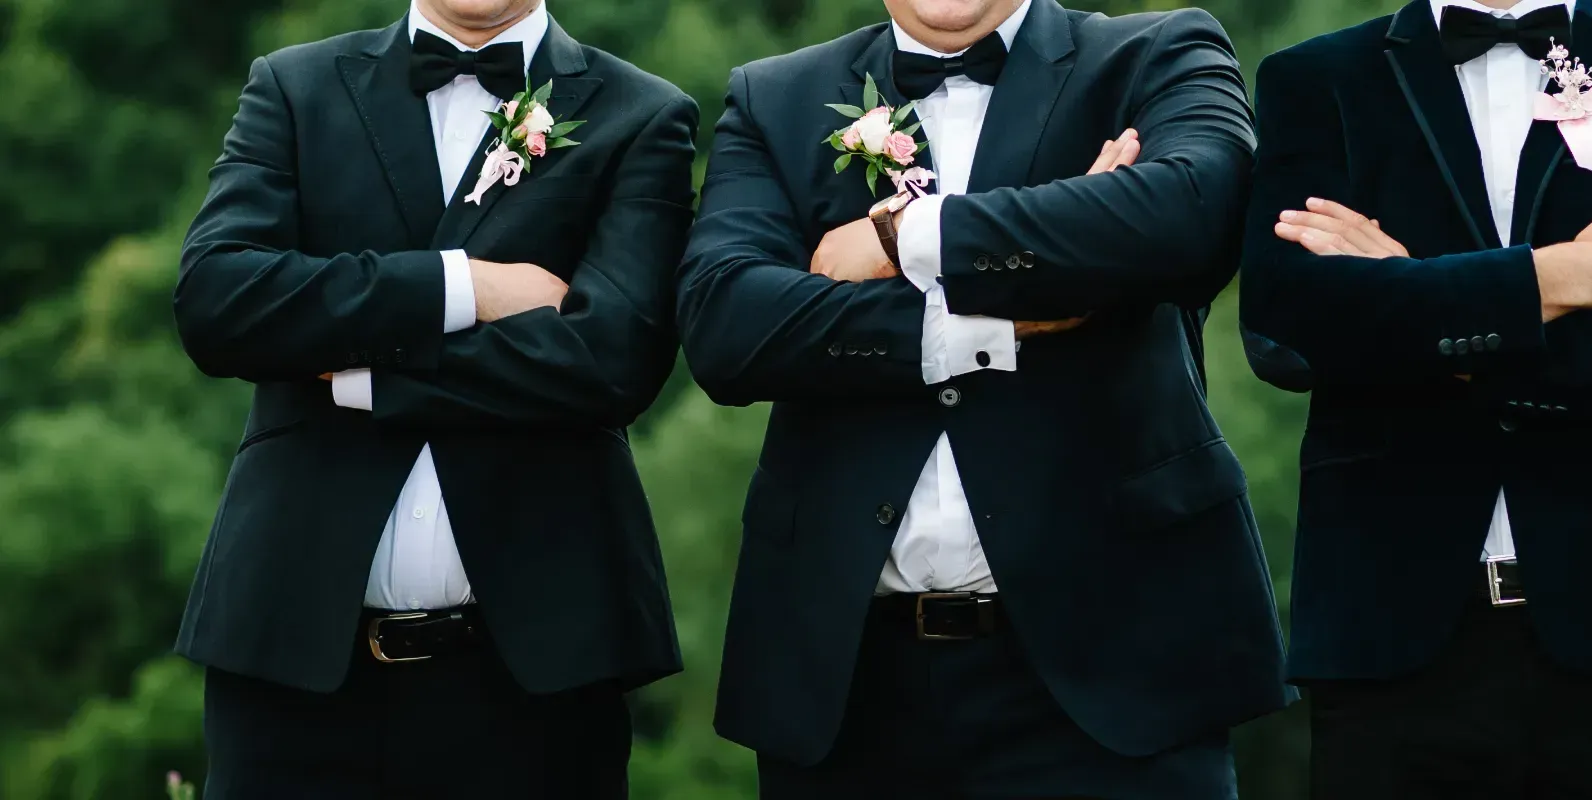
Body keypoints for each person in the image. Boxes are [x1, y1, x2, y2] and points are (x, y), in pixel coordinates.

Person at [676, 0, 1291, 795]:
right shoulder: (775, 94)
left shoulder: (1156, 53)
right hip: (849, 689)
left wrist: (906, 236)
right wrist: (1002, 314)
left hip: (1120, 675)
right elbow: (728, 325)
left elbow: (1190, 215)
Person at [1240, 0, 1592, 797]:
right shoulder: (1314, 81)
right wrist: (1559, 280)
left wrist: (1417, 302)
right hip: (1392, 640)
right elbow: (1288, 330)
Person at [171, 0, 696, 796]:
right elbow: (219, 302)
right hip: (292, 658)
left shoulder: (642, 112)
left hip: (537, 674)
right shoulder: (295, 86)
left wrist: (361, 376)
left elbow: (610, 360)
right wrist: (464, 286)